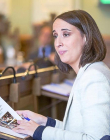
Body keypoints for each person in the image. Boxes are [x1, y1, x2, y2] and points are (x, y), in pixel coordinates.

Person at [12, 10, 110, 140]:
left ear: (86, 37)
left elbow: (95, 138)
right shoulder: (88, 71)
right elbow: (76, 131)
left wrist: (38, 131)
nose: (58, 43)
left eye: (66, 34)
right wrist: (44, 122)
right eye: (55, 35)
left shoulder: (94, 77)